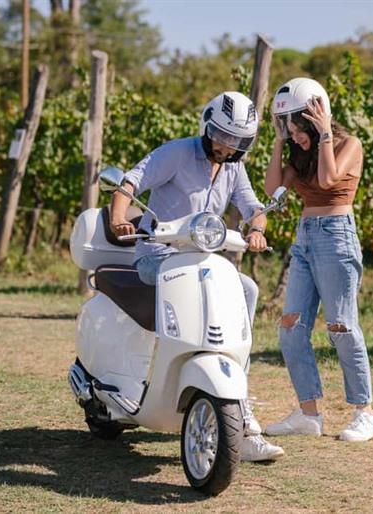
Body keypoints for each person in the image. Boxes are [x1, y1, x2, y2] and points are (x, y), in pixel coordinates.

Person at [109, 91, 285, 461]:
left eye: (238, 141)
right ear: (207, 125)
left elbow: (253, 206)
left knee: (247, 288)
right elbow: (130, 182)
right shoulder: (176, 153)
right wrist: (117, 218)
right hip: (158, 255)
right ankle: (160, 377)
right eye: (222, 136)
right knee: (180, 292)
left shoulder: (235, 167)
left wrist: (256, 227)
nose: (227, 146)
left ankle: (241, 411)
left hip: (201, 258)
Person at [263, 78, 373, 442]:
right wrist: (281, 140)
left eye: (298, 128)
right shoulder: (299, 152)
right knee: (290, 327)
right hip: (306, 237)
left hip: (336, 236)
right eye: (289, 128)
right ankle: (308, 414)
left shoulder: (350, 144)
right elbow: (273, 188)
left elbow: (328, 180)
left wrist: (325, 133)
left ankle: (365, 412)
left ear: (317, 118)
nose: (296, 136)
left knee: (341, 326)